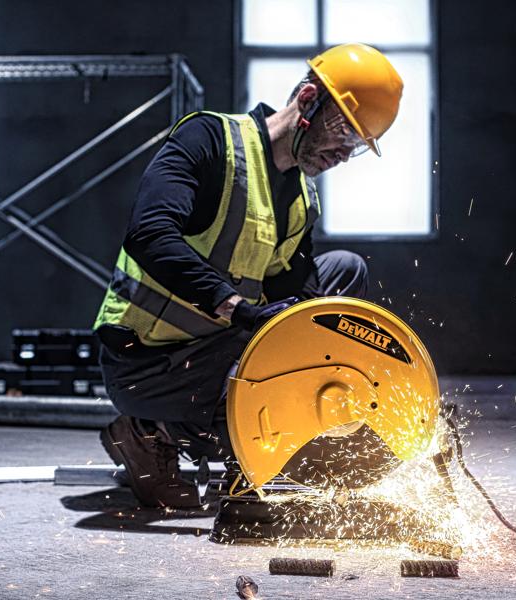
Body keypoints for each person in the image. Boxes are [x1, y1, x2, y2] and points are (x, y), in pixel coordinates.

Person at [92, 43, 403, 508]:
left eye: (356, 145)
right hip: (146, 362)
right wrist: (236, 310)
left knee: (343, 275)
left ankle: (250, 433)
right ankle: (146, 430)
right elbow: (149, 234)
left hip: (221, 349)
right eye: (342, 131)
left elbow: (297, 299)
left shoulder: (301, 200)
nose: (342, 152)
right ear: (307, 99)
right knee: (260, 425)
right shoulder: (209, 140)